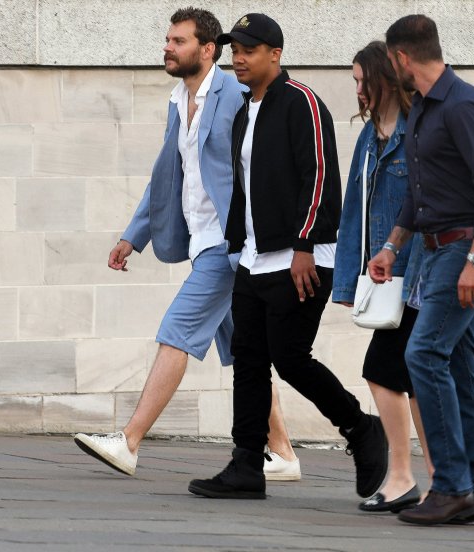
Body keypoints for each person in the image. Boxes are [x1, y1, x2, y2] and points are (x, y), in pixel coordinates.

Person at [73, 7, 300, 482]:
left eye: (178, 40)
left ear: (207, 49)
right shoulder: (178, 99)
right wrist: (134, 235)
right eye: (168, 39)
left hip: (230, 245)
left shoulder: (237, 96)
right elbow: (167, 175)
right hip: (202, 241)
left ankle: (130, 441)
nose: (167, 47)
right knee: (246, 349)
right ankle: (281, 451)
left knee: (176, 329)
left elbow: (259, 167)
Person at [186, 13, 388, 501]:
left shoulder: (302, 103)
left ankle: (362, 429)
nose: (239, 58)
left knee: (290, 357)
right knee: (250, 361)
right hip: (254, 258)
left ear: (275, 55)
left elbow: (319, 175)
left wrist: (303, 246)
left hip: (300, 257)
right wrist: (237, 244)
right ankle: (245, 466)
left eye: (249, 50)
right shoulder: (243, 111)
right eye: (235, 50)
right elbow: (244, 185)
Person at [368, 15, 474, 526]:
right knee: (457, 367)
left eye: (390, 59)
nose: (390, 67)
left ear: (401, 57)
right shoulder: (426, 108)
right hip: (433, 250)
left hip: (464, 250)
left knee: (424, 354)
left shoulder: (464, 104)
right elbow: (419, 192)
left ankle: (453, 488)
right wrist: (391, 247)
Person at [333, 41, 434, 513]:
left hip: (418, 274)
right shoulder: (370, 137)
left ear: (385, 77)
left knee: (386, 371)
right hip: (386, 278)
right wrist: (351, 284)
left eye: (361, 79)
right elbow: (355, 211)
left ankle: (404, 476)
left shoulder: (417, 128)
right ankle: (434, 480)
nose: (357, 90)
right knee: (412, 377)